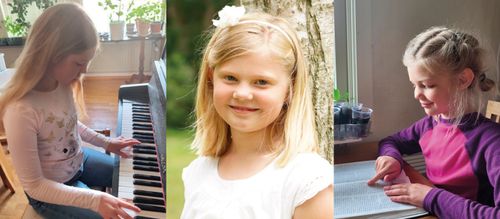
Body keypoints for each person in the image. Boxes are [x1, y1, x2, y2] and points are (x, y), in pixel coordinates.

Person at [180, 5, 333, 219]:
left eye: (261, 82)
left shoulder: (307, 180)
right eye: (230, 78)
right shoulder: (198, 172)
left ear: (290, 89)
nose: (242, 94)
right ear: (210, 78)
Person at [0, 3, 141, 219]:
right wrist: (93, 199)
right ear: (52, 54)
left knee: (132, 176)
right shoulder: (20, 110)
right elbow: (35, 185)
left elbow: (68, 123)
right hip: (47, 193)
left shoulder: (62, 83)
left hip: (78, 162)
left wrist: (106, 143)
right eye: (79, 62)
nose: (85, 70)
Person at [367, 26, 500, 218]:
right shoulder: (430, 124)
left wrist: (431, 197)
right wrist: (391, 158)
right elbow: (390, 141)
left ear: (463, 80)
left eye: (427, 85)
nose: (416, 94)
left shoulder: (492, 141)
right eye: (414, 85)